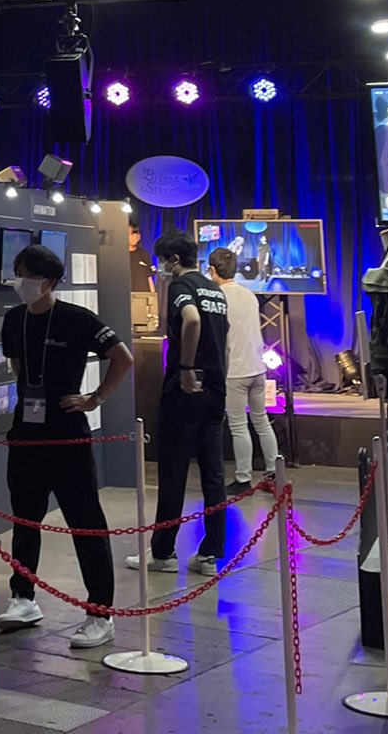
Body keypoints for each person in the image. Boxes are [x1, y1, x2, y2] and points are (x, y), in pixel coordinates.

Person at [0, 244, 133, 648]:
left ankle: (100, 612)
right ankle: (23, 597)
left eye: (29, 274)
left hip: (68, 434)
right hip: (26, 434)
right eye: (19, 272)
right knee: (25, 518)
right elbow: (18, 368)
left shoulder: (76, 318)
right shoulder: (14, 319)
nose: (22, 281)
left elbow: (122, 357)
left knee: (85, 522)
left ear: (50, 281)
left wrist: (95, 398)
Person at [128, 232, 228, 578]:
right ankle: (210, 553)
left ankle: (163, 553)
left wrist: (185, 367)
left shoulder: (181, 286)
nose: (160, 267)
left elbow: (192, 319)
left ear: (172, 259)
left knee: (172, 471)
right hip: (215, 389)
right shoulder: (215, 290)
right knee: (214, 475)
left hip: (185, 391)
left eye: (162, 260)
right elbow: (224, 340)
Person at [209, 247, 279, 498]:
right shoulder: (249, 294)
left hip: (235, 371)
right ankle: (274, 473)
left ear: (212, 270)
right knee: (261, 422)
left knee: (239, 426)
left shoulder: (217, 297)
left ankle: (243, 478)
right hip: (257, 368)